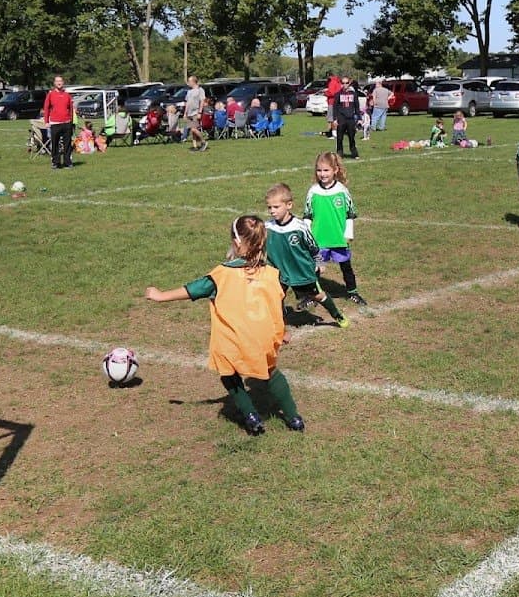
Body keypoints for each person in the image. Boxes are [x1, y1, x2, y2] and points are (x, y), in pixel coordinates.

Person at [144, 215, 305, 435]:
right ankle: (294, 418)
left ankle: (251, 416)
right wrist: (283, 330)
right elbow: (278, 302)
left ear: (237, 242)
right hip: (265, 336)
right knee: (271, 371)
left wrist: (160, 295)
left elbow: (194, 289)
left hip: (235, 339)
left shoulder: (221, 275)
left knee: (228, 371)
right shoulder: (272, 274)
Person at [264, 183, 350, 328]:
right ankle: (279, 323)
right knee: (276, 296)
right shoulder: (268, 227)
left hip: (301, 271)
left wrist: (319, 263)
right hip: (280, 271)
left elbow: (313, 247)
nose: (272, 211)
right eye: (269, 207)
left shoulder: (299, 227)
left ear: (289, 205)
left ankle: (337, 315)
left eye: (276, 207)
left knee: (318, 295)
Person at [305, 152, 367, 306]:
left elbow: (350, 214)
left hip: (338, 237)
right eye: (319, 170)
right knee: (315, 269)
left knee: (346, 266)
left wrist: (348, 232)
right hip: (318, 239)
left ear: (335, 170)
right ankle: (313, 296)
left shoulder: (342, 191)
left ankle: (352, 292)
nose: (322, 174)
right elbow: (307, 215)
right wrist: (307, 235)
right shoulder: (313, 191)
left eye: (326, 170)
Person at [42, 74, 74, 169]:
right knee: (55, 143)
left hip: (66, 123)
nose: (59, 82)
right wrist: (46, 121)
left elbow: (71, 109)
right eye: (57, 81)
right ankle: (55, 162)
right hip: (55, 123)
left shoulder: (67, 95)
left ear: (63, 83)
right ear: (54, 83)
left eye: (60, 81)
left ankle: (67, 162)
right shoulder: (50, 94)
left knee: (67, 144)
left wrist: (71, 121)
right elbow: (46, 108)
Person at [332, 76, 361, 159]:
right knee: (339, 137)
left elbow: (357, 107)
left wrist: (359, 119)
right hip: (341, 118)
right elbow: (335, 107)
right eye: (343, 83)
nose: (345, 85)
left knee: (352, 137)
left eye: (346, 83)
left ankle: (354, 153)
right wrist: (335, 119)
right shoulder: (338, 94)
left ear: (349, 83)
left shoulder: (354, 94)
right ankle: (339, 153)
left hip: (350, 118)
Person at [184, 76, 208, 152]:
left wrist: (199, 112)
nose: (188, 83)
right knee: (192, 131)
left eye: (189, 81)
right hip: (190, 113)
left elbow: (202, 101)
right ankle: (195, 146)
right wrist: (185, 113)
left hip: (196, 112)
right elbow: (187, 103)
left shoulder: (200, 90)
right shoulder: (189, 92)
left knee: (194, 129)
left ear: (193, 82)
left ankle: (203, 141)